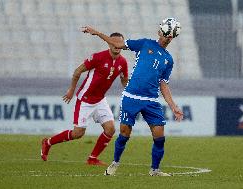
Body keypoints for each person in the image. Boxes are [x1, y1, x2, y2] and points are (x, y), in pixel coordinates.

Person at [82, 17, 184, 176]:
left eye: (170, 36)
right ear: (159, 32)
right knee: (124, 134)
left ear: (173, 37)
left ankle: (155, 170)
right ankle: (115, 163)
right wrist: (97, 33)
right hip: (131, 97)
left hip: (151, 101)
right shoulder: (144, 44)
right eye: (165, 34)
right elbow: (117, 44)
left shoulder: (168, 60)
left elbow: (163, 84)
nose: (167, 38)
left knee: (159, 137)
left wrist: (173, 106)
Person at [40, 32, 128, 166]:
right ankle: (48, 142)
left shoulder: (123, 62)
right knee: (78, 133)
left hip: (100, 100)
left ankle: (92, 158)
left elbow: (124, 81)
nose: (117, 46)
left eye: (119, 44)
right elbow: (77, 71)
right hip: (85, 99)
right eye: (113, 43)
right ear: (109, 43)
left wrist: (133, 87)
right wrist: (71, 90)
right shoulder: (98, 57)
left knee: (110, 129)